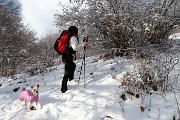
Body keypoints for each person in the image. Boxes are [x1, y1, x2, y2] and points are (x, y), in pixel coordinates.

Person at [61, 26, 88, 93]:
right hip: (68, 56)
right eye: (77, 30)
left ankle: (71, 78)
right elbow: (75, 48)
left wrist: (82, 33)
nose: (77, 31)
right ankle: (63, 88)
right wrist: (83, 45)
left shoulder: (71, 36)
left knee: (73, 66)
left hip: (65, 56)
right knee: (67, 72)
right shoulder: (73, 37)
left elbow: (75, 38)